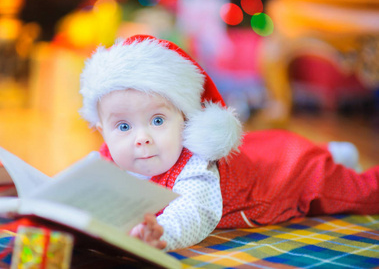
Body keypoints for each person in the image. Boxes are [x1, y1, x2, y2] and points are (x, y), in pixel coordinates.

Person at [79, 34, 379, 251]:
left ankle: (329, 159)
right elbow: (84, 189)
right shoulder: (108, 160)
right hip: (261, 149)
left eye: (158, 121)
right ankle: (334, 153)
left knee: (360, 192)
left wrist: (165, 233)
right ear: (101, 130)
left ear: (185, 119)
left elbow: (195, 212)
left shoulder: (195, 165)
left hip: (290, 172)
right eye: (122, 126)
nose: (142, 137)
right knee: (269, 148)